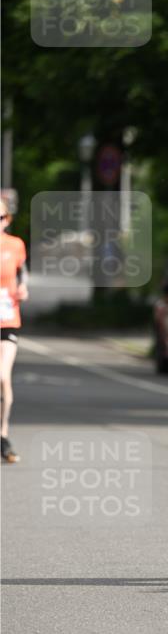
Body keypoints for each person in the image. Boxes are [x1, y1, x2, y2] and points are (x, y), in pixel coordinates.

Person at [0, 197, 29, 463]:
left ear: (7, 220)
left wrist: (24, 288)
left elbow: (22, 272)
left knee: (2, 377)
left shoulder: (15, 245)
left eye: (0, 218)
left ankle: (3, 435)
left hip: (7, 321)